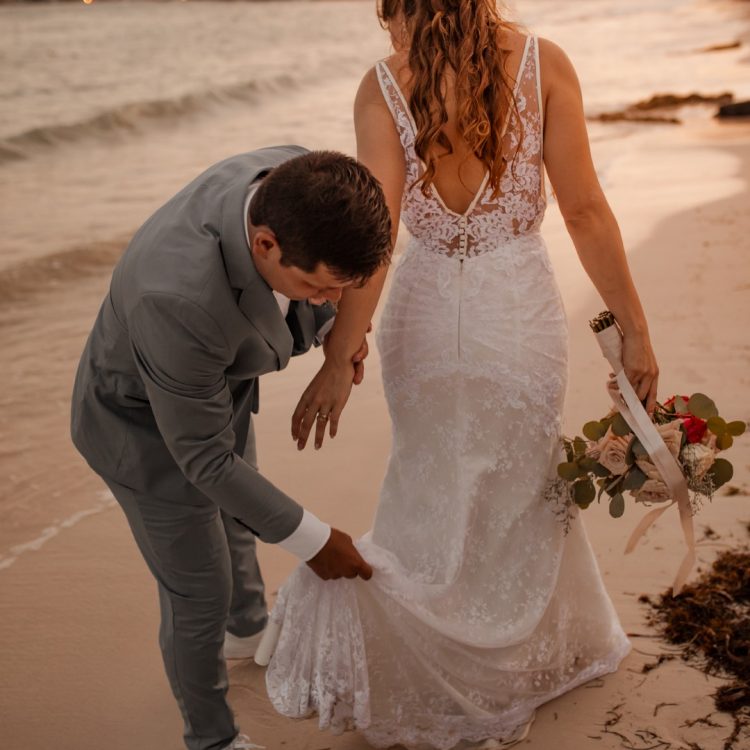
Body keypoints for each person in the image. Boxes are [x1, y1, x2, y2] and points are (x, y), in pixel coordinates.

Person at [261, 1, 659, 747]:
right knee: (520, 483)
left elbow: (375, 238)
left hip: (423, 310)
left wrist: (343, 352)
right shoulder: (544, 63)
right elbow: (584, 211)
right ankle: (513, 657)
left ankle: (431, 639)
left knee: (428, 482)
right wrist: (634, 331)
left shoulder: (382, 87)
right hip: (518, 315)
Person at [70, 147, 391, 750]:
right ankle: (210, 738)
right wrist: (316, 542)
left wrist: (338, 339)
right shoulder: (178, 297)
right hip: (140, 431)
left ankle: (246, 630)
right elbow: (204, 459)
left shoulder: (302, 179)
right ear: (266, 245)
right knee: (197, 591)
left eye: (339, 289)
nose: (328, 300)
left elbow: (341, 283)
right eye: (317, 288)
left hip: (214, 384)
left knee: (237, 518)